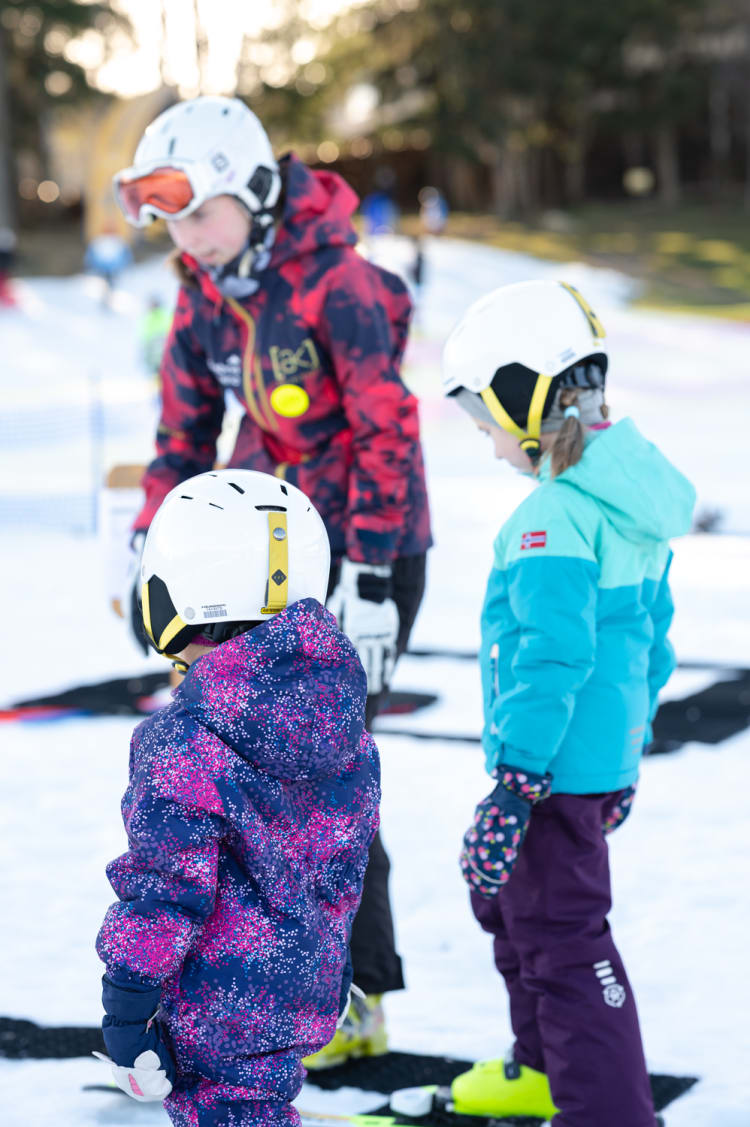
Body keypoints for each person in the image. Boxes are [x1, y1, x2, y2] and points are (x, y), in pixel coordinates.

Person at [111, 94, 432, 1062]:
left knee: (322, 775)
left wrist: (372, 571)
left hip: (362, 545)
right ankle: (255, 976)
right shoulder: (203, 288)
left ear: (254, 191)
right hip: (254, 562)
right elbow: (181, 430)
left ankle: (354, 992)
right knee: (236, 772)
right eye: (169, 219)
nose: (187, 237)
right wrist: (154, 546)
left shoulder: (340, 285)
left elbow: (387, 427)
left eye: (199, 213)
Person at [440, 280, 694, 1127]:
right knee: (510, 904)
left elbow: (551, 658)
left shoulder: (552, 516)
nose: (485, 438)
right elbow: (651, 643)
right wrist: (629, 751)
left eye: (485, 416)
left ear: (524, 397)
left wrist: (516, 781)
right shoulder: (627, 508)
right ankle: (543, 1066)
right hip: (584, 761)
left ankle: (607, 1111)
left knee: (564, 940)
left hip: (546, 769)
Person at [95, 469, 380, 1127]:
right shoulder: (340, 723)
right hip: (308, 984)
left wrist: (128, 1002)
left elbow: (164, 888)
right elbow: (338, 865)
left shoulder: (185, 739)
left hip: (216, 1000)